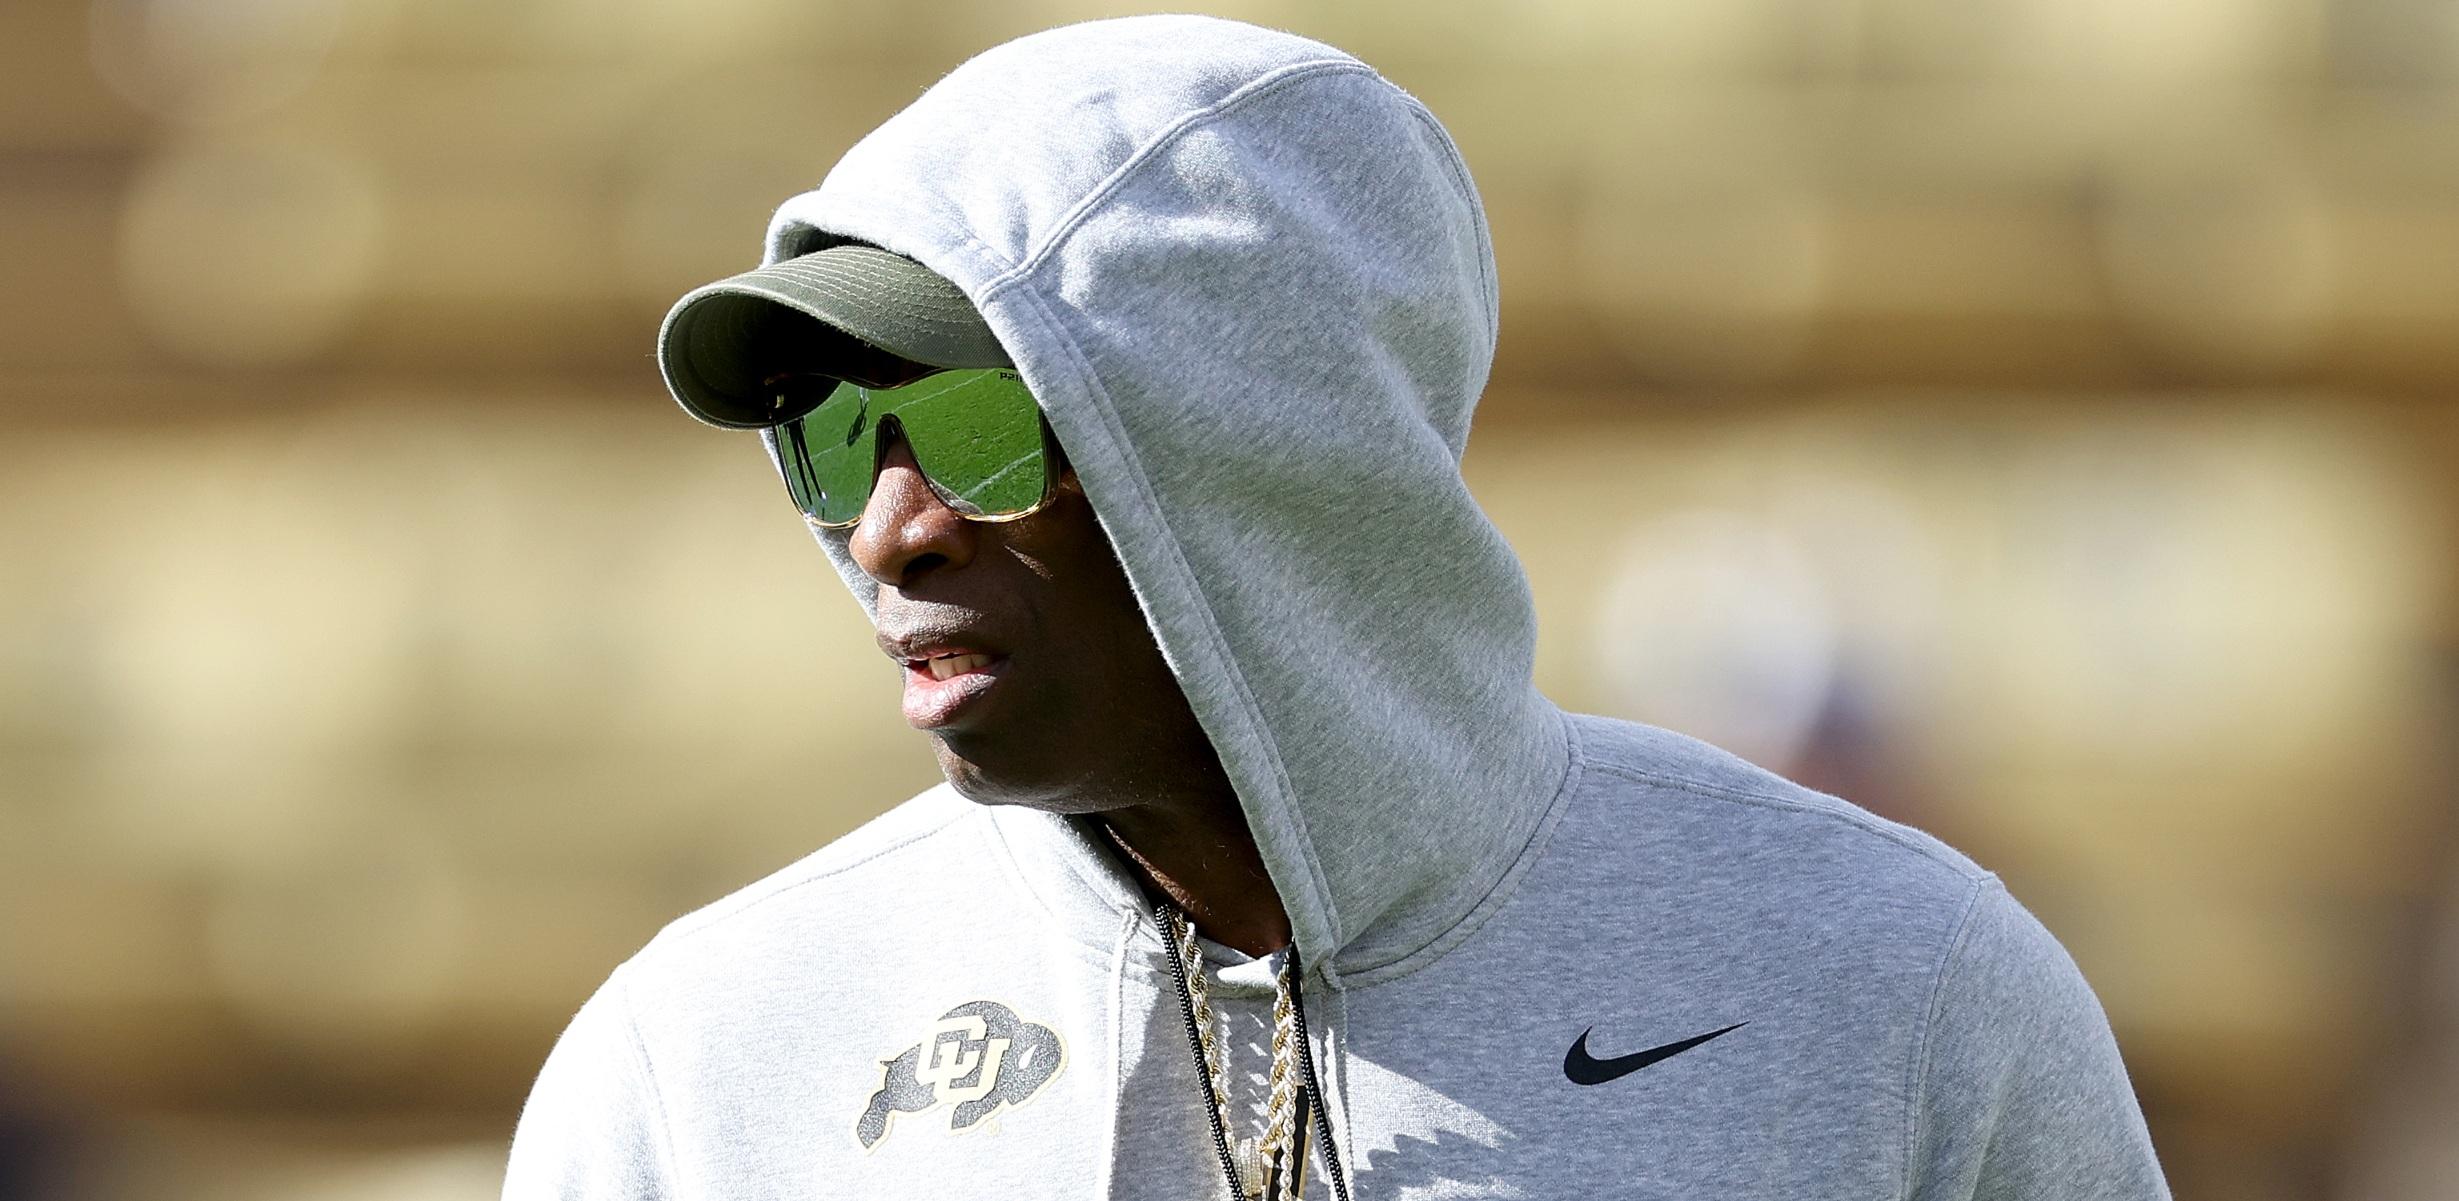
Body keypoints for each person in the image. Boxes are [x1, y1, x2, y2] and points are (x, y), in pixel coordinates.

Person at [503, 15, 2170, 1199]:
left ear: (1257, 443)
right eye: (830, 429)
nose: (887, 530)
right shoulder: (709, 1060)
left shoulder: (1895, 993)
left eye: (969, 422)